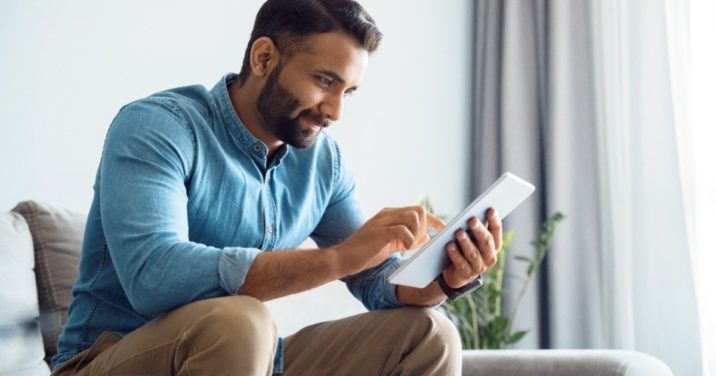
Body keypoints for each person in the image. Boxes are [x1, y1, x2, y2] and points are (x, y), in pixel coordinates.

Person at [52, 0, 503, 374]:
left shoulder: (322, 161)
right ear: (263, 57)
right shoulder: (159, 126)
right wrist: (337, 258)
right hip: (108, 358)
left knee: (429, 334)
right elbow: (153, 277)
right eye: (324, 81)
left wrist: (444, 278)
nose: (334, 112)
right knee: (241, 319)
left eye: (347, 92)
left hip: (249, 357)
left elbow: (373, 281)